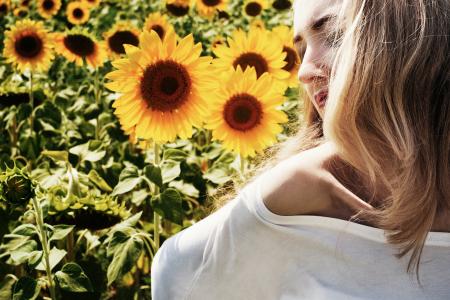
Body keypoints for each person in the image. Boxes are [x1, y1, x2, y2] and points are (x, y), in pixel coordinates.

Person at [151, 0, 450, 298]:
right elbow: (176, 274)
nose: (304, 73)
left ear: (415, 37)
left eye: (333, 34)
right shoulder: (298, 195)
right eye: (302, 51)